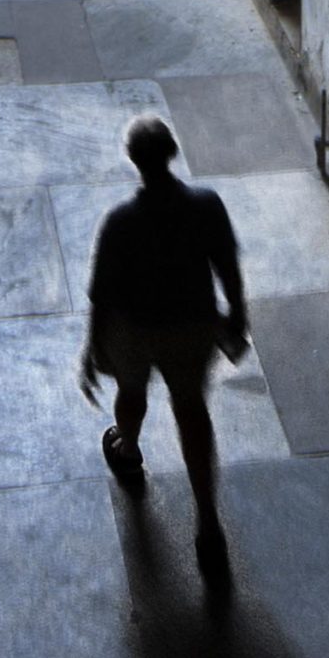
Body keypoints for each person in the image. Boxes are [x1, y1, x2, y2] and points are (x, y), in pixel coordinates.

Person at [78, 114, 248, 584]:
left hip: (136, 328)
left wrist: (92, 348)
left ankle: (127, 448)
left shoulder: (120, 222)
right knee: (192, 410)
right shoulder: (206, 205)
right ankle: (208, 523)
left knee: (132, 392)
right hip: (192, 325)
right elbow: (227, 266)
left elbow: (101, 293)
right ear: (173, 151)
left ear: (133, 160)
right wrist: (236, 315)